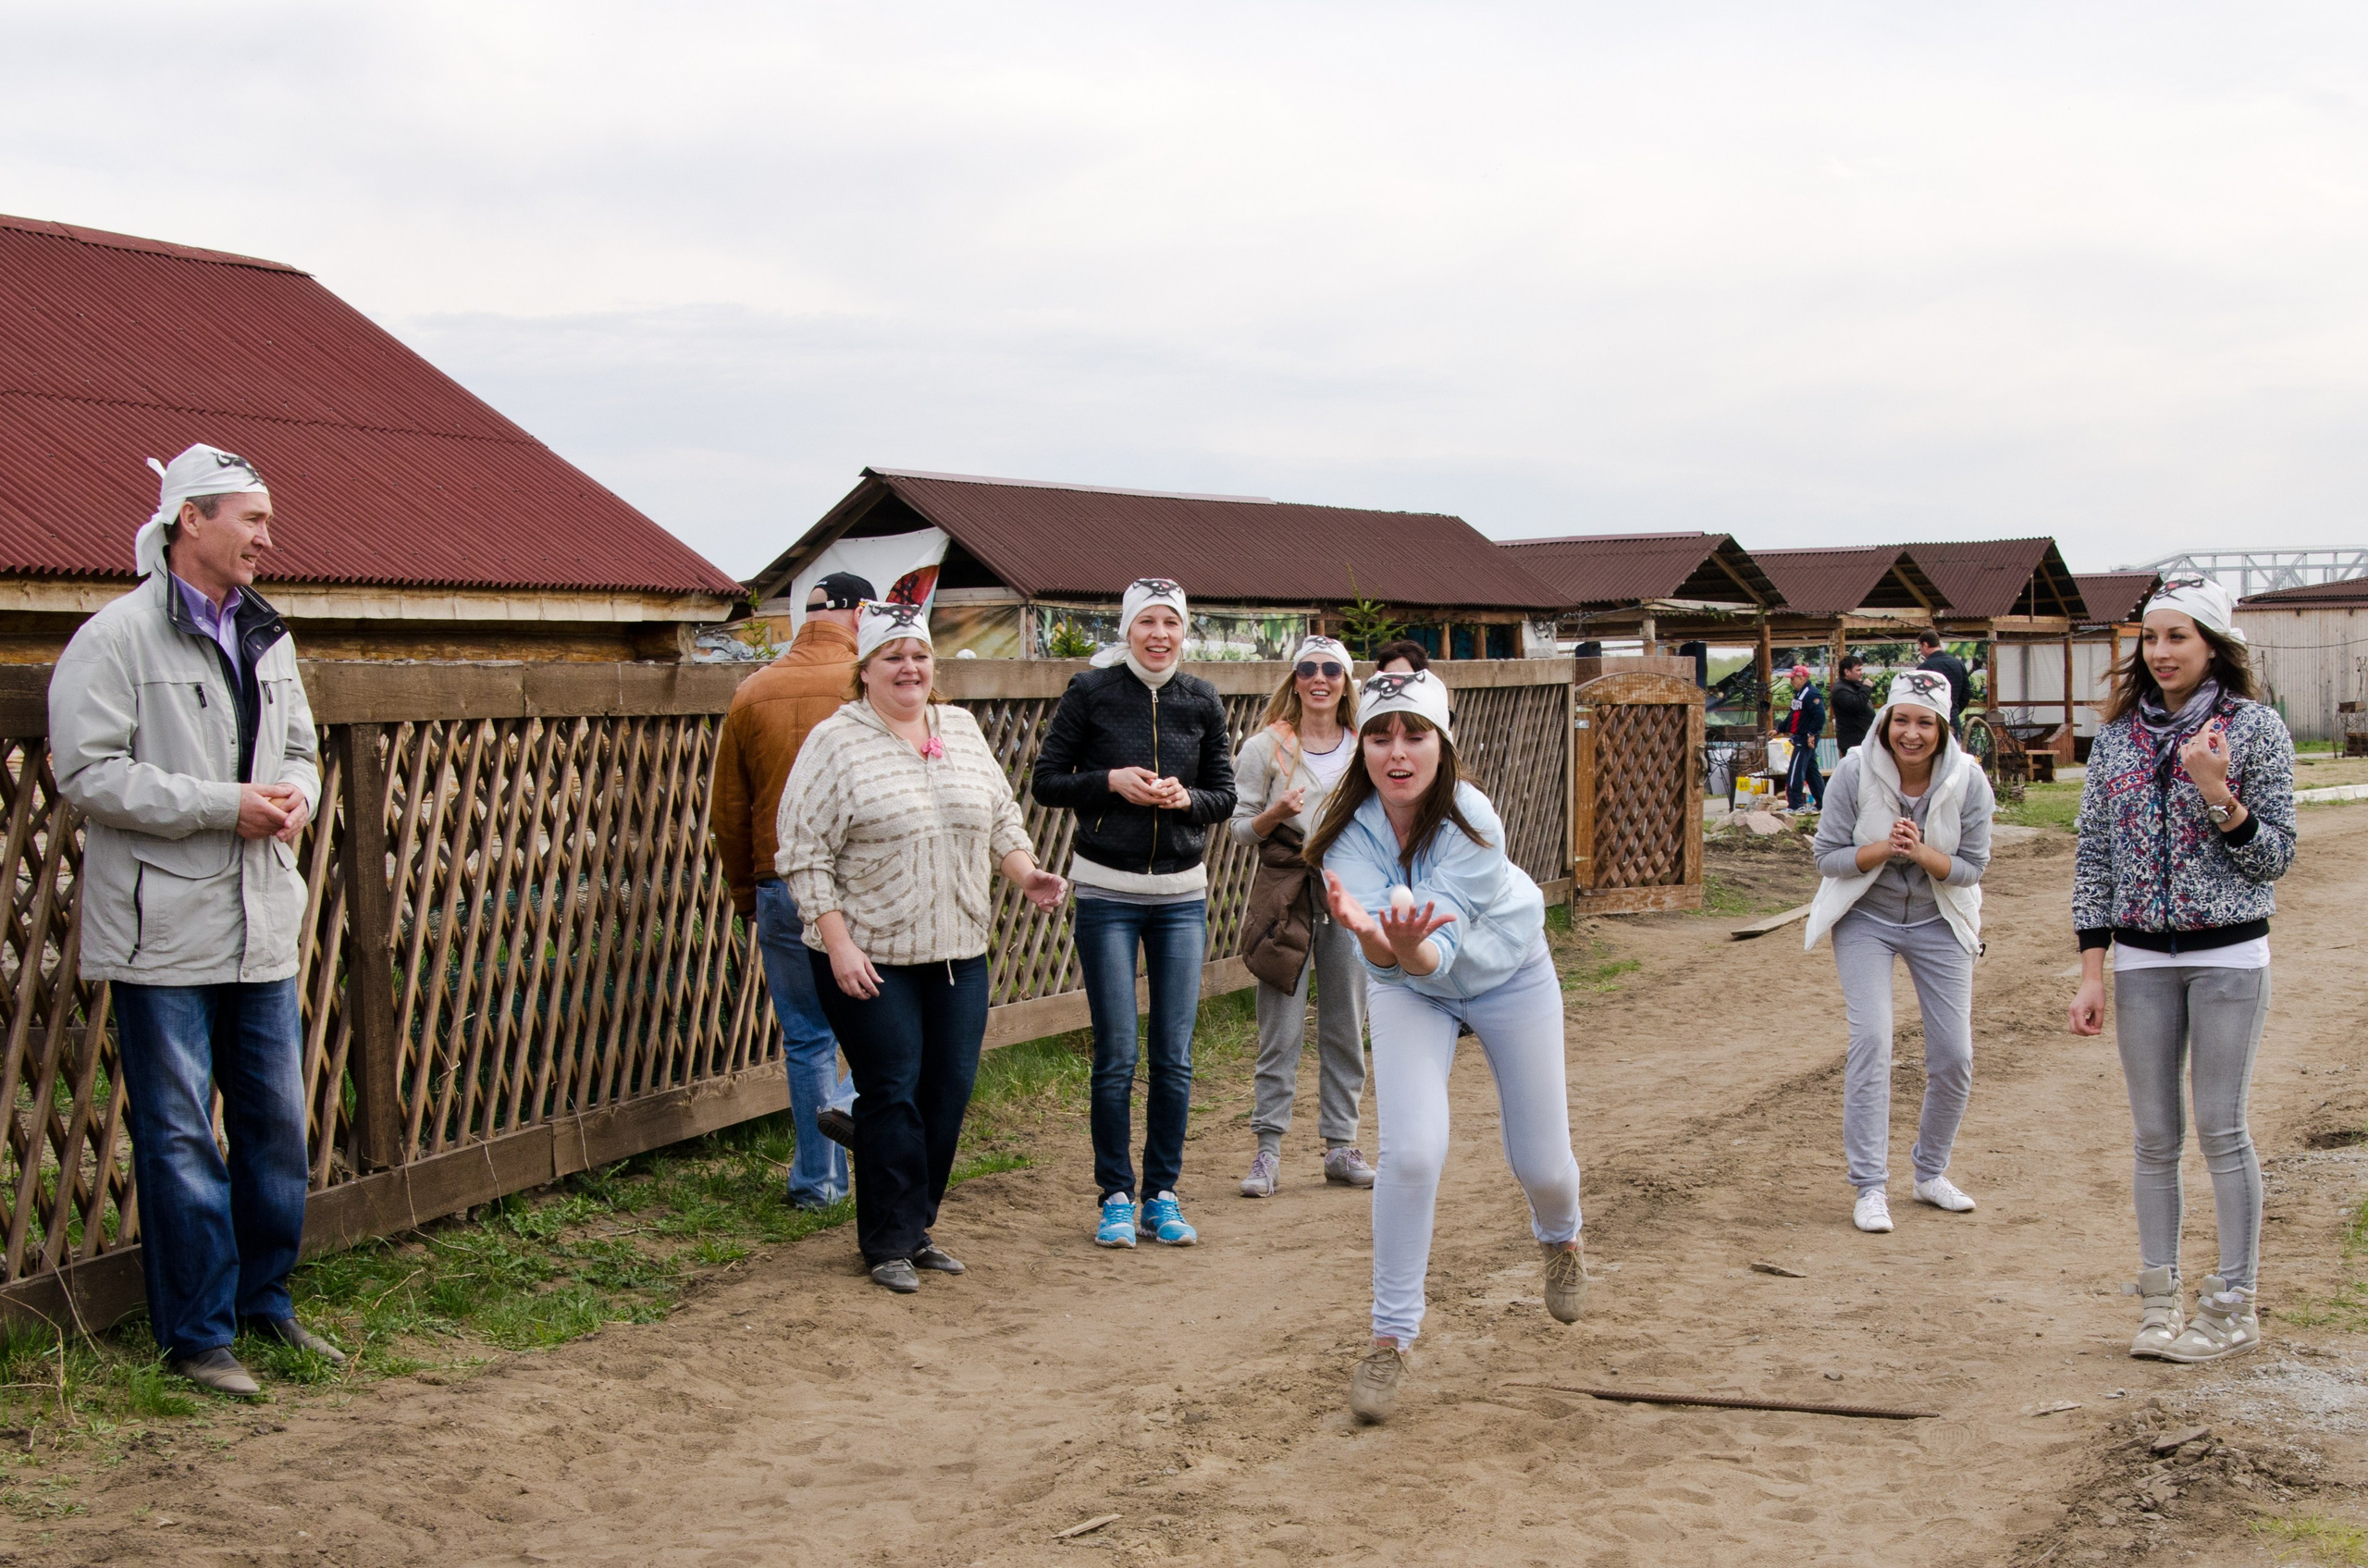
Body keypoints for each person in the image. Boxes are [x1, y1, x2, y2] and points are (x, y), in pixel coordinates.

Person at [49, 445, 340, 1396]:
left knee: (274, 1129)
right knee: (180, 1139)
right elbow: (87, 773)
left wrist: (295, 797)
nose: (268, 537)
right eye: (252, 519)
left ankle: (265, 1302)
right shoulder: (115, 639)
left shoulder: (266, 633)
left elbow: (300, 748)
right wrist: (226, 806)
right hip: (162, 933)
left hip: (261, 923)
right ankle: (198, 1335)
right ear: (192, 520)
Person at [1307, 669, 1588, 1424]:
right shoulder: (1344, 835)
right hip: (1409, 986)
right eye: (1379, 735)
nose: (1397, 751)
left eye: (1415, 734)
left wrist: (1403, 944)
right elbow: (1396, 964)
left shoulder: (1473, 819)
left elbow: (1439, 951)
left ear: (1443, 742)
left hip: (1507, 970)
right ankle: (1389, 1336)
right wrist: (1378, 939)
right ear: (1362, 747)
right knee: (1411, 1152)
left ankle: (1561, 1238)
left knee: (1543, 1161)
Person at [778, 602, 1068, 1291]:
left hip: (957, 948)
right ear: (865, 669)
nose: (909, 668)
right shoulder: (834, 741)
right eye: (893, 657)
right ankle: (886, 1241)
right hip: (868, 953)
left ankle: (915, 1226)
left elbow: (1000, 817)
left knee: (947, 1091)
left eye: (919, 655)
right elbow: (803, 854)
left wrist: (1026, 872)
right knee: (891, 1090)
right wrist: (837, 943)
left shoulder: (959, 728)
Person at [2067, 576, 2296, 1363]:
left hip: (2229, 955)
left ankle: (2233, 1303)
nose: (2161, 652)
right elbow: (2095, 857)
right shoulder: (2119, 738)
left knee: (2222, 1129)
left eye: (2178, 637)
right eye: (2151, 637)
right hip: (2140, 960)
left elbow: (2276, 857)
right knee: (2155, 1136)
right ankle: (2158, 1302)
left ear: (2213, 645)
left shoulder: (2256, 728)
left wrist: (2217, 792)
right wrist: (2093, 970)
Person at [1031, 579, 1237, 1249]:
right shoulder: (1090, 692)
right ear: (1127, 629)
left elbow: (1225, 795)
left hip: (1181, 896)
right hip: (1106, 894)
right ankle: (1115, 1195)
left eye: (1170, 623)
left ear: (1184, 631)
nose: (1159, 635)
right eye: (1146, 621)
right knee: (1117, 1052)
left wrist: (1186, 800)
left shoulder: (1201, 698)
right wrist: (1109, 781)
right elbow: (1046, 781)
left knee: (1174, 1055)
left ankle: (1162, 1195)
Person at [1805, 669, 1994, 1235]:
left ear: (1943, 728)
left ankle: (1930, 1173)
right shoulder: (1854, 771)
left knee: (1955, 1055)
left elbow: (1972, 868)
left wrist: (1922, 853)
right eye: (1902, 720)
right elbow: (1826, 857)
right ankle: (1870, 1186)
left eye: (1925, 723)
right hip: (1867, 917)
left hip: (1941, 919)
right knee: (1872, 1040)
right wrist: (1883, 849)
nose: (1912, 733)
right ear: (1886, 721)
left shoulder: (1968, 780)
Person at [712, 570, 871, 1208]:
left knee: (807, 1037)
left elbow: (729, 809)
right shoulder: (873, 682)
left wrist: (745, 893)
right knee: (894, 1024)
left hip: (778, 881)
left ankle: (819, 1183)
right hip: (862, 886)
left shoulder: (753, 691)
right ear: (862, 613)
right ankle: (855, 1112)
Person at [1230, 636, 1373, 1199]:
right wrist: (1274, 814)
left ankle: (1341, 1145)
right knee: (1280, 1027)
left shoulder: (1365, 745)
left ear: (1346, 681)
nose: (1319, 679)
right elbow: (1240, 829)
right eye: (1308, 669)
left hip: (1346, 892)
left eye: (1331, 670)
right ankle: (1268, 1150)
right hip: (1285, 894)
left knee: (1346, 1021)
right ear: (1294, 679)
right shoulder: (1265, 747)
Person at [1783, 662, 1827, 810]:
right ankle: (1823, 803)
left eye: (1793, 678)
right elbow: (1793, 715)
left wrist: (1811, 734)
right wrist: (1779, 729)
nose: (1791, 682)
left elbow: (1820, 716)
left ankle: (1796, 805)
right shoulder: (1799, 694)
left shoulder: (1812, 694)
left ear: (1802, 678)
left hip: (1806, 737)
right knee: (1810, 771)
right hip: (1801, 735)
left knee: (1795, 770)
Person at [1916, 632, 1972, 729]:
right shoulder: (1958, 664)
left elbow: (1920, 697)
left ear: (1925, 645)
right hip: (1953, 719)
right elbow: (1966, 693)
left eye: (1920, 648)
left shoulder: (1924, 667)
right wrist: (1954, 711)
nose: (1921, 652)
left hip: (1932, 721)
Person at [1831, 653, 1877, 756]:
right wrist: (1866, 687)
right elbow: (1856, 704)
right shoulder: (1840, 690)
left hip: (1862, 738)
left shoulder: (1852, 685)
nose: (1862, 673)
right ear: (1847, 672)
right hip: (1852, 741)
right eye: (1858, 670)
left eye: (1861, 669)